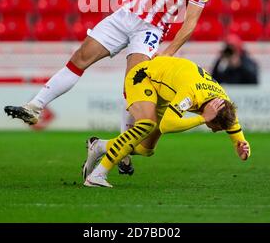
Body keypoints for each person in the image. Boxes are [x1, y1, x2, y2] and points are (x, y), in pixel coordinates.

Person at [4, 0, 218, 174]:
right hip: (124, 16)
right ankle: (34, 108)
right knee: (80, 58)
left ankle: (123, 150)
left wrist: (168, 52)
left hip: (150, 30)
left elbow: (191, 23)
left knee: (135, 86)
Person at [83, 56, 251, 188]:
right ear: (211, 114)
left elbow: (233, 122)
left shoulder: (222, 101)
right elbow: (167, 125)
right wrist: (202, 119)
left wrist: (241, 144)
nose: (214, 131)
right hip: (143, 77)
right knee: (146, 124)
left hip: (165, 91)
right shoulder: (190, 94)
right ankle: (97, 175)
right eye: (215, 127)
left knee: (144, 149)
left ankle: (99, 146)